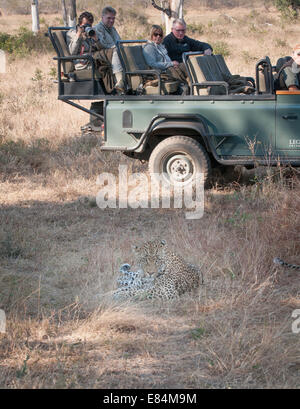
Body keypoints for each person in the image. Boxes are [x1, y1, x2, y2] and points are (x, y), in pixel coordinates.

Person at [142, 24, 189, 92]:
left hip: (167, 69)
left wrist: (173, 64)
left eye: (160, 35)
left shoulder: (160, 46)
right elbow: (152, 64)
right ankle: (186, 87)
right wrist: (170, 64)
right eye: (156, 34)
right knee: (176, 70)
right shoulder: (149, 47)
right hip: (159, 72)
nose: (158, 37)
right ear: (151, 35)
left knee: (185, 65)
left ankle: (197, 84)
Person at [94, 6, 124, 91]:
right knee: (115, 51)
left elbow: (119, 42)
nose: (111, 21)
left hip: (112, 53)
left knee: (125, 51)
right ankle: (120, 81)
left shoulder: (112, 29)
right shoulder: (98, 28)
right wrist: (115, 48)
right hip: (101, 55)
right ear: (102, 17)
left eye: (113, 18)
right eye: (109, 18)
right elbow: (101, 45)